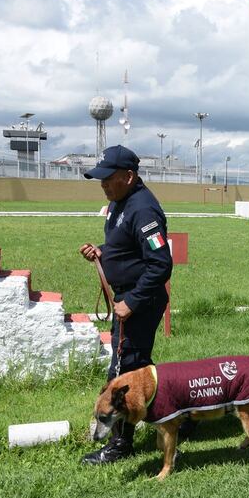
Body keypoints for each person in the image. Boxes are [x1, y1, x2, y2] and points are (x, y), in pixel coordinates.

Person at [79, 145, 173, 464]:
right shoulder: (120, 203)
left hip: (139, 301)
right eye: (101, 179)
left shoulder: (143, 209)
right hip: (127, 298)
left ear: (129, 177)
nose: (103, 184)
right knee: (135, 366)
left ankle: (120, 445)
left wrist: (131, 301)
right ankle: (172, 417)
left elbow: (160, 264)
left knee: (124, 372)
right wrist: (103, 252)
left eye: (108, 179)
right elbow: (127, 245)